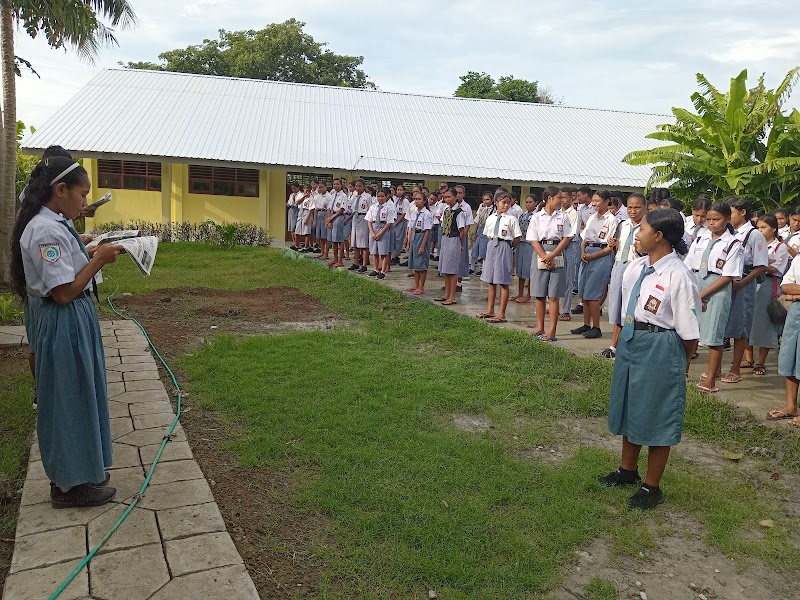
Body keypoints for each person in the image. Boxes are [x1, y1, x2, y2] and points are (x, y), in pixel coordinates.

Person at [11, 157, 124, 508]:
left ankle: (83, 470)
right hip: (64, 320)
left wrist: (88, 251)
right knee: (66, 400)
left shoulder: (54, 223)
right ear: (60, 191)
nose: (84, 202)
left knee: (80, 393)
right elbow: (62, 292)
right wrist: (99, 259)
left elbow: (64, 272)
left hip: (74, 319)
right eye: (82, 194)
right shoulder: (44, 230)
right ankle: (68, 485)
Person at [599, 208, 701, 510]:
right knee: (630, 404)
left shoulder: (679, 275)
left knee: (657, 413)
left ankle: (652, 487)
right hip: (633, 341)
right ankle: (627, 471)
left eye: (641, 228)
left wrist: (680, 364)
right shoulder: (637, 267)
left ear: (659, 236)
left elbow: (689, 331)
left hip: (661, 345)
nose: (637, 233)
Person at [684, 203, 743, 393]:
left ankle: (710, 380)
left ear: (727, 219)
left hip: (717, 287)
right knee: (689, 331)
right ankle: (683, 372)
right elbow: (688, 264)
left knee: (714, 335)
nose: (711, 223)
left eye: (715, 219)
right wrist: (692, 290)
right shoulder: (700, 238)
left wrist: (702, 294)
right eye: (708, 219)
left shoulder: (733, 244)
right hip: (696, 281)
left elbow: (728, 276)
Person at [721, 197, 769, 383]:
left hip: (744, 283)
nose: (727, 217)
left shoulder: (753, 235)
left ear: (742, 212)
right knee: (723, 323)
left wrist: (742, 283)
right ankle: (716, 367)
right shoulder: (727, 233)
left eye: (730, 213)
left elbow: (760, 265)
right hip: (726, 282)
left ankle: (735, 367)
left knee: (740, 326)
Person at [599, 193, 648, 359]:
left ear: (645, 207)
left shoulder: (648, 227)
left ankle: (626, 345)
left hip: (637, 266)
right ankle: (614, 346)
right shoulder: (623, 224)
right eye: (630, 207)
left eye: (637, 207)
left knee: (632, 306)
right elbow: (617, 246)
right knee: (617, 304)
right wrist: (614, 245)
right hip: (620, 265)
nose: (633, 211)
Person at [527, 186, 573, 341]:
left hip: (557, 251)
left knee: (553, 295)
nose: (561, 200)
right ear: (549, 198)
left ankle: (552, 331)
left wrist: (552, 255)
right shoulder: (537, 217)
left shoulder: (563, 217)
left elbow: (567, 237)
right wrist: (544, 257)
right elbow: (533, 239)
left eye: (562, 198)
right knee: (539, 294)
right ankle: (540, 327)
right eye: (558, 198)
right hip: (540, 250)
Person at [746, 214, 788, 375]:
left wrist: (761, 264)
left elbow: (776, 268)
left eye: (764, 227)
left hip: (768, 285)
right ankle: (749, 357)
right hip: (752, 282)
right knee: (748, 320)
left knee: (765, 323)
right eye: (758, 227)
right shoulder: (755, 244)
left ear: (774, 229)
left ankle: (761, 362)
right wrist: (763, 264)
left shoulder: (780, 247)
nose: (760, 231)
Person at [571, 190, 617, 339]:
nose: (595, 204)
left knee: (593, 294)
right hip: (587, 253)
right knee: (584, 293)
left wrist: (592, 256)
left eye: (598, 201)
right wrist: (583, 252)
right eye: (594, 201)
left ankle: (596, 327)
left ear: (606, 201)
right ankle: (586, 324)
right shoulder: (591, 218)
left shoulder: (611, 220)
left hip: (601, 255)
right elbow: (584, 238)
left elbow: (610, 247)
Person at [477, 192, 521, 323]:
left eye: (508, 202)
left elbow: (517, 238)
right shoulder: (490, 218)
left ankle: (502, 313)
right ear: (496, 203)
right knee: (490, 280)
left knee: (503, 281)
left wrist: (509, 247)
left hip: (504, 245)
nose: (506, 205)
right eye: (503, 202)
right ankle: (490, 310)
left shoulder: (511, 219)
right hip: (492, 246)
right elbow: (487, 234)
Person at [769, 251, 800, 425]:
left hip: (795, 304)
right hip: (795, 311)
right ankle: (791, 406)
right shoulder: (798, 258)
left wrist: (795, 293)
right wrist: (794, 295)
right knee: (790, 355)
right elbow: (785, 287)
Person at [434, 188, 468, 305]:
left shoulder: (459, 212)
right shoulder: (446, 210)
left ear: (455, 197)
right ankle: (446, 294)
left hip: (454, 240)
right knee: (446, 269)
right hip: (445, 239)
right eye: (445, 197)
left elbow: (462, 230)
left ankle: (452, 296)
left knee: (452, 270)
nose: (447, 199)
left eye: (449, 197)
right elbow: (443, 224)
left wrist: (460, 243)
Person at [571, 186, 595, 315]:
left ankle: (595, 303)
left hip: (594, 242)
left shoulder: (594, 208)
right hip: (581, 239)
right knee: (580, 270)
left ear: (586, 195)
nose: (577, 198)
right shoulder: (581, 208)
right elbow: (579, 224)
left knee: (592, 273)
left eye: (579, 195)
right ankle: (582, 301)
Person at [366, 188, 396, 279]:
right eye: (378, 196)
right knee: (374, 252)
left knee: (384, 252)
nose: (380, 198)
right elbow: (369, 220)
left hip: (383, 229)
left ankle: (383, 271)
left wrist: (380, 233)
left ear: (387, 197)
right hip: (374, 228)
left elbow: (389, 222)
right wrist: (371, 232)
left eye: (382, 196)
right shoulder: (373, 207)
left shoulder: (389, 208)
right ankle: (376, 269)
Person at [405, 193, 432, 295]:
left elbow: (427, 231)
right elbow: (411, 228)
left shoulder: (427, 214)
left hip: (422, 237)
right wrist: (408, 243)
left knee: (422, 264)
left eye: (419, 199)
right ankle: (416, 285)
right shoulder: (414, 213)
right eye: (415, 199)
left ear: (424, 201)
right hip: (414, 237)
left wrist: (422, 246)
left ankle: (421, 287)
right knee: (415, 264)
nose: (417, 201)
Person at [559, 187, 580, 321]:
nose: (562, 200)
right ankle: (555, 306)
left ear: (571, 199)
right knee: (557, 278)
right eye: (560, 198)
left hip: (569, 246)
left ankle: (566, 310)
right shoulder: (558, 212)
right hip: (558, 246)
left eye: (565, 198)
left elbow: (571, 234)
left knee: (568, 279)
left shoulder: (573, 214)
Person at [513, 194, 537, 303]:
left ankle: (529, 294)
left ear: (535, 203)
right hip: (521, 243)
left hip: (531, 245)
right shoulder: (523, 215)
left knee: (530, 270)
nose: (528, 204)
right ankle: (520, 292)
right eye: (526, 202)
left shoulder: (537, 216)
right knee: (520, 269)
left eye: (530, 202)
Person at [349, 179, 373, 273]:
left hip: (363, 218)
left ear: (364, 186)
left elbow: (370, 210)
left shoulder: (367, 197)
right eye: (356, 186)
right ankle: (355, 262)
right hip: (355, 217)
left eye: (360, 186)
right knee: (355, 242)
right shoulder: (354, 196)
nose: (358, 188)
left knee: (363, 243)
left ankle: (364, 264)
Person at [326, 178, 348, 267]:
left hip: (338, 217)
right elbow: (329, 208)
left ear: (341, 185)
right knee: (333, 240)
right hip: (331, 217)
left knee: (339, 239)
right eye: (334, 184)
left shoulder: (343, 196)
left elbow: (341, 210)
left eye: (337, 184)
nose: (336, 186)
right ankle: (335, 259)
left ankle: (340, 260)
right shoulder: (332, 195)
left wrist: (331, 218)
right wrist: (328, 219)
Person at [470, 193, 494, 276]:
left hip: (487, 230)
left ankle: (482, 269)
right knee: (475, 248)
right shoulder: (481, 207)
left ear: (492, 200)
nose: (486, 201)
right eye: (484, 200)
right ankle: (472, 268)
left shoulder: (494, 209)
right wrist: (475, 232)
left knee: (483, 250)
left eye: (488, 199)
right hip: (480, 229)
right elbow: (477, 220)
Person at [391, 184, 408, 265]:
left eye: (401, 190)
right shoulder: (395, 199)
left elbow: (404, 213)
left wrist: (397, 222)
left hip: (400, 219)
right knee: (394, 238)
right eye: (398, 190)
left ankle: (396, 256)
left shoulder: (405, 201)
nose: (399, 191)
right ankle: (393, 256)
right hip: (394, 217)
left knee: (398, 238)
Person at [314, 181, 332, 260]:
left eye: (322, 187)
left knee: (326, 236)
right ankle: (322, 252)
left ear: (326, 187)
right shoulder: (318, 197)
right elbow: (316, 209)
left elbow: (329, 209)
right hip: (319, 215)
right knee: (320, 236)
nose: (320, 189)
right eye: (319, 187)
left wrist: (327, 220)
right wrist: (315, 219)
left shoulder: (329, 196)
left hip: (326, 214)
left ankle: (326, 253)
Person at [295, 184, 314, 252]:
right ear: (303, 189)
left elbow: (311, 209)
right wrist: (304, 197)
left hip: (307, 213)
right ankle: (296, 245)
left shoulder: (311, 198)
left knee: (306, 231)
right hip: (300, 212)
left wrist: (307, 219)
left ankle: (306, 247)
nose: (307, 192)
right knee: (297, 230)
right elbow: (297, 202)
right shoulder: (300, 195)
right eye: (306, 190)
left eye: (309, 191)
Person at [286, 182, 301, 250]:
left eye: (294, 188)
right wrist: (288, 204)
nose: (293, 190)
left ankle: (297, 243)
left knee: (295, 228)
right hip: (291, 210)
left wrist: (295, 199)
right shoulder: (291, 195)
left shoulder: (301, 194)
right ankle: (294, 242)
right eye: (292, 189)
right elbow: (289, 202)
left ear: (298, 188)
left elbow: (299, 203)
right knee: (291, 228)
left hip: (297, 210)